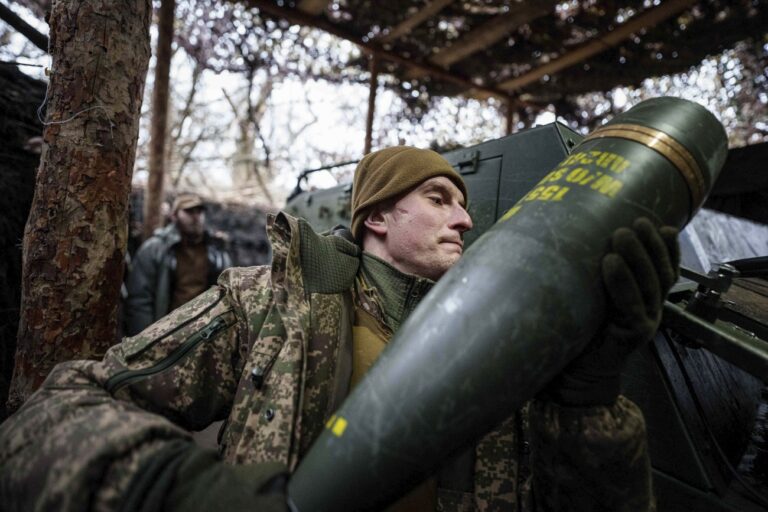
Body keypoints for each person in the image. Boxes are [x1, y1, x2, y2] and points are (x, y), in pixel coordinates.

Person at [0, 146, 679, 511]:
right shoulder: (271, 306)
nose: (467, 220)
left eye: (465, 205)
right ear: (376, 218)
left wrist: (588, 404)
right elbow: (56, 410)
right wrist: (173, 487)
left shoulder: (514, 339)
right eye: (439, 199)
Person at [124, 193, 232, 336]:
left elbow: (227, 295)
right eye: (189, 211)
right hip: (167, 330)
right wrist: (146, 338)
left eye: (199, 211)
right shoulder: (155, 249)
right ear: (174, 216)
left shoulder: (216, 250)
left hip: (204, 332)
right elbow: (140, 299)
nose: (196, 217)